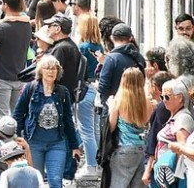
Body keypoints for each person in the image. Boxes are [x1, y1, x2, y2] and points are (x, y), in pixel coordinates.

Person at [13, 55, 81, 188]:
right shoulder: (30, 88)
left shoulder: (63, 91)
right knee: (34, 182)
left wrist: (74, 145)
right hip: (33, 143)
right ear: (41, 71)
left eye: (54, 69)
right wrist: (18, 138)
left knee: (55, 182)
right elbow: (18, 114)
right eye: (47, 68)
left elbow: (68, 120)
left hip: (57, 143)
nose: (51, 71)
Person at [0, 0, 31, 123]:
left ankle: (1, 136)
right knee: (16, 114)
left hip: (1, 76)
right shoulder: (27, 25)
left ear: (5, 5)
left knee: (1, 116)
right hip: (20, 75)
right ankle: (15, 136)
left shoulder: (1, 27)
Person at [105, 68, 150, 188]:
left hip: (124, 148)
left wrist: (110, 108)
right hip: (143, 148)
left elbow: (111, 127)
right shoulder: (148, 102)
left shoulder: (119, 101)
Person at [144, 78, 193, 186]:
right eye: (162, 97)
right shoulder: (174, 116)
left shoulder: (182, 118)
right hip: (165, 173)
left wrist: (170, 177)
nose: (164, 100)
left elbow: (182, 150)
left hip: (173, 176)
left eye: (167, 97)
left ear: (180, 98)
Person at [74, 14, 103, 180]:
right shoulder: (99, 46)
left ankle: (91, 165)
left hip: (85, 88)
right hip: (97, 88)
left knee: (86, 130)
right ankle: (97, 164)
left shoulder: (83, 47)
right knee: (95, 128)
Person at [97, 23, 146, 107]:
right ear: (130, 38)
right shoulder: (139, 57)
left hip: (114, 105)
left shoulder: (111, 58)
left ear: (112, 38)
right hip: (135, 105)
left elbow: (103, 87)